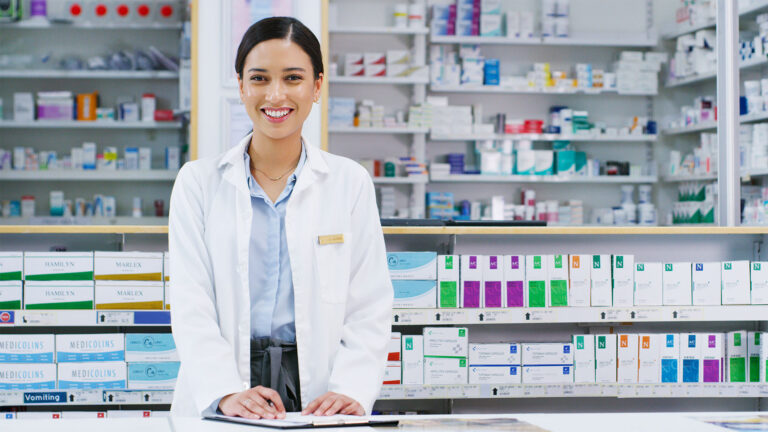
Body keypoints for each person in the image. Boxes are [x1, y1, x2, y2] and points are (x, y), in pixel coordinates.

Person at [168, 16, 393, 419]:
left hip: (320, 390)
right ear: (241, 86)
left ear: (317, 86)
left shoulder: (349, 183)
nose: (275, 95)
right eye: (259, 79)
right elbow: (190, 303)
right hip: (228, 382)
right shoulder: (197, 183)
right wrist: (223, 391)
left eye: (292, 78)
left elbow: (369, 304)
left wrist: (352, 389)